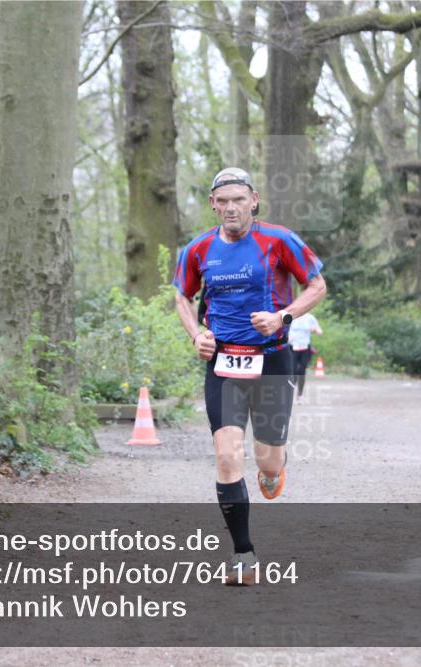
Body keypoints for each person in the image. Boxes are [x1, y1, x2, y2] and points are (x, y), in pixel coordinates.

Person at [173, 167, 326, 585]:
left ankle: (275, 469)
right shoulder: (198, 249)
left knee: (267, 460)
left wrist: (283, 316)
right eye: (222, 201)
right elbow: (182, 296)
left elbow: (317, 285)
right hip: (223, 363)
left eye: (238, 200)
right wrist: (196, 335)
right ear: (213, 205)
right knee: (226, 456)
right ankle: (244, 558)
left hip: (272, 359)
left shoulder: (279, 240)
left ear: (254, 200)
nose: (231, 208)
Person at [288, 311, 322, 400]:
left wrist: (314, 330)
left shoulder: (310, 318)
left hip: (305, 348)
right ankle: (290, 393)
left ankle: (300, 394)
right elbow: (283, 330)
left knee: (302, 371)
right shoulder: (291, 316)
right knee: (293, 371)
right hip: (293, 347)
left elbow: (319, 331)